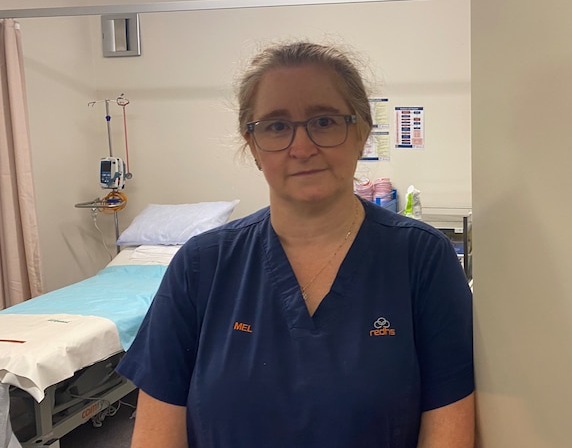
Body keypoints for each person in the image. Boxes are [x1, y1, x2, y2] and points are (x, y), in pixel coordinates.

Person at [116, 41, 475, 447]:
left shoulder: (422, 258)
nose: (302, 148)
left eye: (324, 121)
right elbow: (156, 437)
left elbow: (451, 430)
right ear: (252, 146)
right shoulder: (201, 266)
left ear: (361, 133)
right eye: (276, 126)